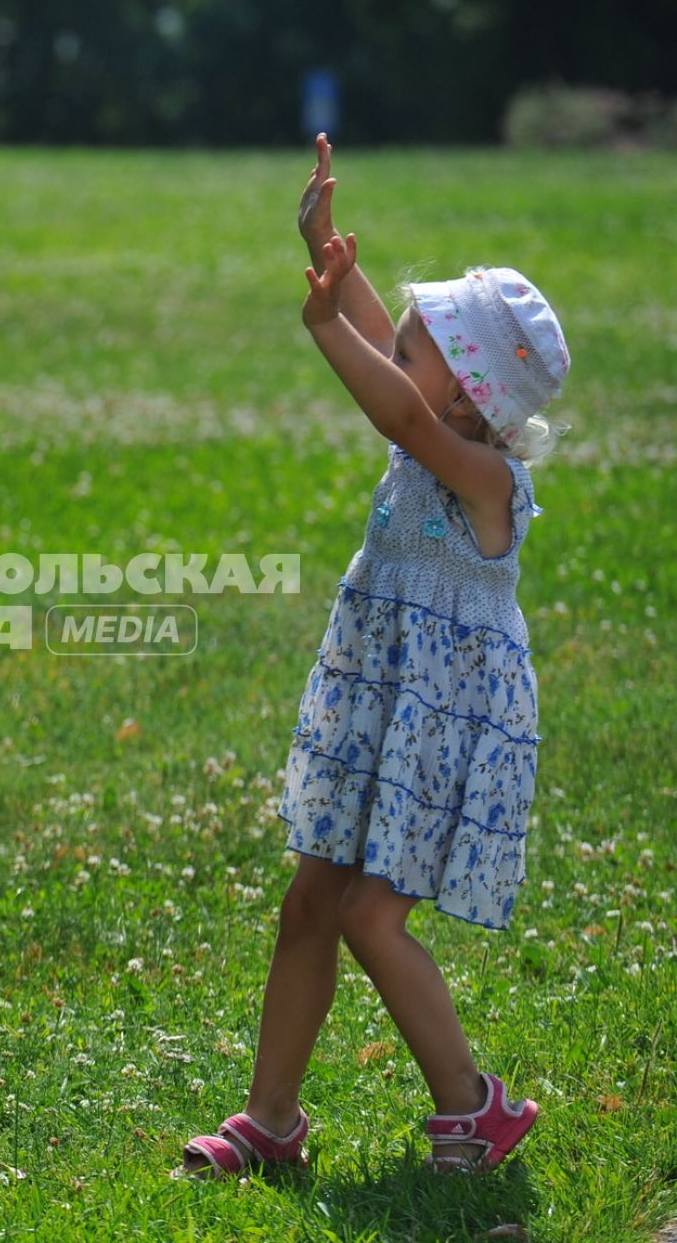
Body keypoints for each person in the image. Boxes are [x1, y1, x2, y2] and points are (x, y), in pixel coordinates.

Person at [182, 134, 571, 1178]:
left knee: (368, 912)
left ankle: (473, 1105)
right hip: (381, 699)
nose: (389, 346)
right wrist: (323, 248)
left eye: (415, 341)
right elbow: (395, 379)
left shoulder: (481, 474)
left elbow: (390, 397)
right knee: (313, 895)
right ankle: (268, 1121)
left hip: (445, 717)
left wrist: (325, 330)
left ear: (472, 396)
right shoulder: (427, 426)